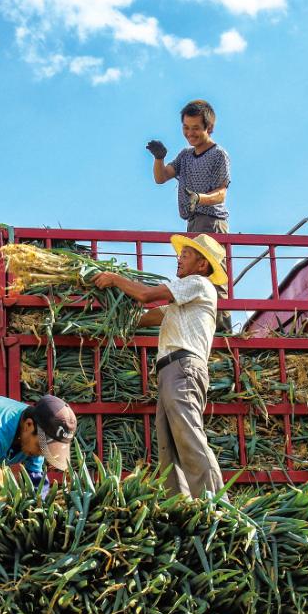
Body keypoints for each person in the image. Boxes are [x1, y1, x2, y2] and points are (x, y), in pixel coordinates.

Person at [91, 233, 226, 498]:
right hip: (171, 371)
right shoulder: (181, 303)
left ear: (202, 264)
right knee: (169, 446)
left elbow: (145, 295)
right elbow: (143, 318)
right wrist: (105, 312)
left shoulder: (198, 283)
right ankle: (182, 505)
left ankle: (217, 504)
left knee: (188, 436)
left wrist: (115, 279)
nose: (179, 259)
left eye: (186, 255)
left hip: (183, 368)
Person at [146, 99, 232, 331]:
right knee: (193, 276)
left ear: (209, 128)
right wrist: (159, 158)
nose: (190, 133)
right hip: (192, 222)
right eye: (186, 127)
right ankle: (196, 325)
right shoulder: (185, 156)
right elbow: (161, 177)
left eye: (195, 128)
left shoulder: (218, 155)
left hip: (212, 221)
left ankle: (222, 329)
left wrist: (199, 198)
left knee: (212, 273)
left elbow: (221, 193)